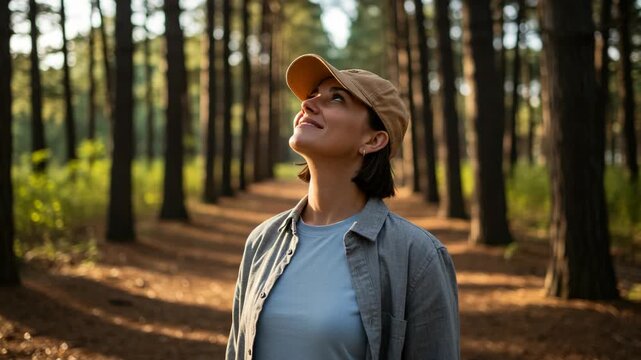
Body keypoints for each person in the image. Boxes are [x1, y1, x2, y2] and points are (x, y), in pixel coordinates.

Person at [225, 54, 460, 360]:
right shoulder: (263, 240)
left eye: (336, 98)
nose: (307, 105)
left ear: (374, 140)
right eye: (311, 96)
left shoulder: (418, 256)